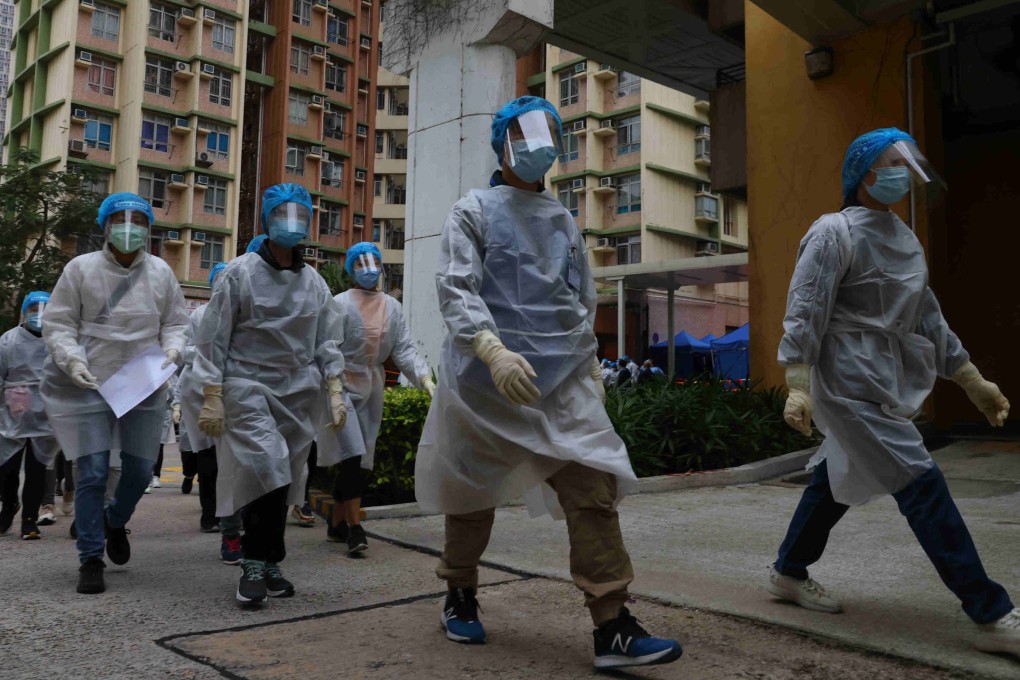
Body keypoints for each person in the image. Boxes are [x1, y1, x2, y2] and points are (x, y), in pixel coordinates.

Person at [415, 96, 682, 670]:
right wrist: (491, 349)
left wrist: (589, 365)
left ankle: (612, 623)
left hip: (559, 380)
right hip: (487, 382)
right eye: (525, 136)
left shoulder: (563, 220)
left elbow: (578, 299)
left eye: (547, 137)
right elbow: (456, 287)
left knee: (593, 487)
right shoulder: (474, 210)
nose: (538, 148)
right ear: (503, 144)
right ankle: (459, 589)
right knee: (471, 494)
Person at [770, 128, 1018, 657]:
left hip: (885, 375)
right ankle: (990, 612)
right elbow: (806, 307)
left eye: (906, 163)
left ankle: (789, 572)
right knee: (920, 480)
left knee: (835, 476)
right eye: (890, 163)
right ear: (862, 173)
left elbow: (927, 316)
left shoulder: (904, 237)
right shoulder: (833, 232)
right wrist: (797, 382)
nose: (901, 173)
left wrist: (971, 378)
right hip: (844, 379)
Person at [193, 183, 347, 603]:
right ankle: (255, 563)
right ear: (266, 219)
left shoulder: (314, 282)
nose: (293, 221)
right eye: (284, 213)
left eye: (302, 213)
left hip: (298, 389)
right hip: (246, 384)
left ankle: (270, 562)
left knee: (283, 478)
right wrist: (212, 393)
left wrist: (334, 387)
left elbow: (326, 341)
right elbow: (213, 338)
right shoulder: (239, 273)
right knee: (269, 463)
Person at [41, 192, 188, 594]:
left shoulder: (160, 272)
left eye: (138, 219)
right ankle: (90, 557)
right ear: (105, 225)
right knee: (91, 472)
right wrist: (72, 361)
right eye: (121, 218)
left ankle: (114, 520)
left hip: (143, 381)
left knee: (140, 472)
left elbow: (176, 321)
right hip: (88, 381)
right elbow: (58, 323)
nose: (129, 226)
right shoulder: (80, 268)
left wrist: (174, 349)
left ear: (148, 228)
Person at [318, 241, 435, 555]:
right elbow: (327, 346)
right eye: (361, 262)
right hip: (342, 383)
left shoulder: (392, 307)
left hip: (372, 385)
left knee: (361, 460)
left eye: (373, 261)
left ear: (382, 265)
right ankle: (356, 529)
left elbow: (403, 348)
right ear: (352, 268)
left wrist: (424, 377)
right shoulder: (339, 303)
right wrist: (332, 387)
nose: (368, 268)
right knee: (353, 453)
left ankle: (336, 524)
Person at [0, 292, 62, 540]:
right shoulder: (8, 341)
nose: (40, 315)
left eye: (45, 309)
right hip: (11, 415)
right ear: (25, 312)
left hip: (45, 414)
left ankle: (29, 520)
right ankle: (8, 505)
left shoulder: (57, 341)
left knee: (37, 471)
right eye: (35, 309)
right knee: (7, 469)